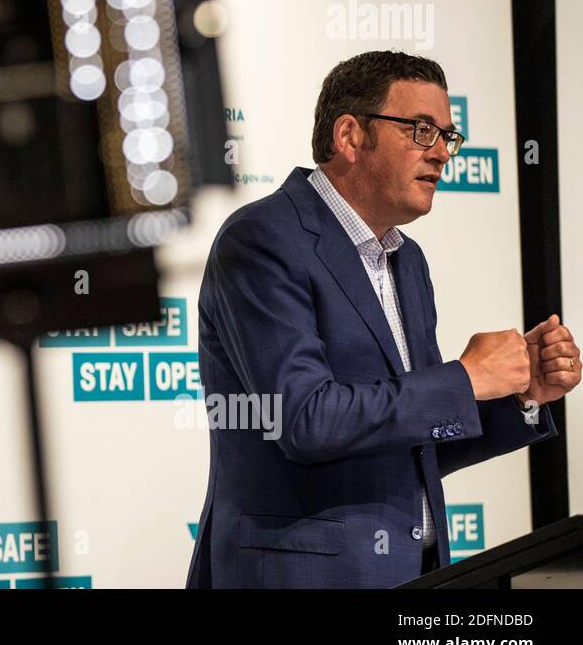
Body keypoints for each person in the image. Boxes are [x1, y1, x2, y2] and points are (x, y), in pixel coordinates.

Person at [185, 51, 579, 588]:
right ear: (349, 135)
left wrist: (520, 395)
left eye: (447, 135)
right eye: (421, 130)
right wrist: (465, 378)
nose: (442, 152)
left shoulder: (407, 260)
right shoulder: (262, 240)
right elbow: (302, 419)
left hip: (416, 578)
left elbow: (414, 442)